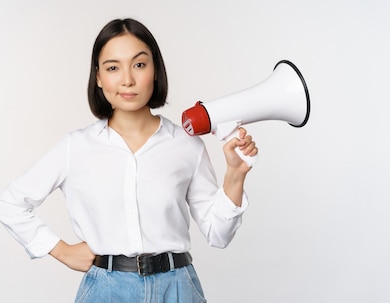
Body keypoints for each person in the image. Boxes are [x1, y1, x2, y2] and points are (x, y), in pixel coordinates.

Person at [0, 18, 257, 302]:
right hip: (105, 290)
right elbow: (10, 203)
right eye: (112, 67)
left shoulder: (186, 145)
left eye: (139, 64)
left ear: (155, 70)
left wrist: (235, 174)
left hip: (179, 289)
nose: (127, 80)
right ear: (98, 77)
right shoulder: (77, 147)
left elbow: (219, 235)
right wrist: (60, 250)